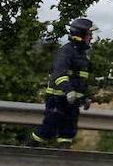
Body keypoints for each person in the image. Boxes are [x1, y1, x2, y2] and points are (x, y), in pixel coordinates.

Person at [29, 17, 95, 148]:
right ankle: (26, 151)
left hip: (72, 101)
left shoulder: (83, 55)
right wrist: (68, 91)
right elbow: (59, 74)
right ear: (81, 35)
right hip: (57, 98)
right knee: (48, 129)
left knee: (68, 133)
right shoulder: (66, 51)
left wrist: (85, 97)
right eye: (89, 34)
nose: (91, 37)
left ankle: (62, 160)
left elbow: (82, 80)